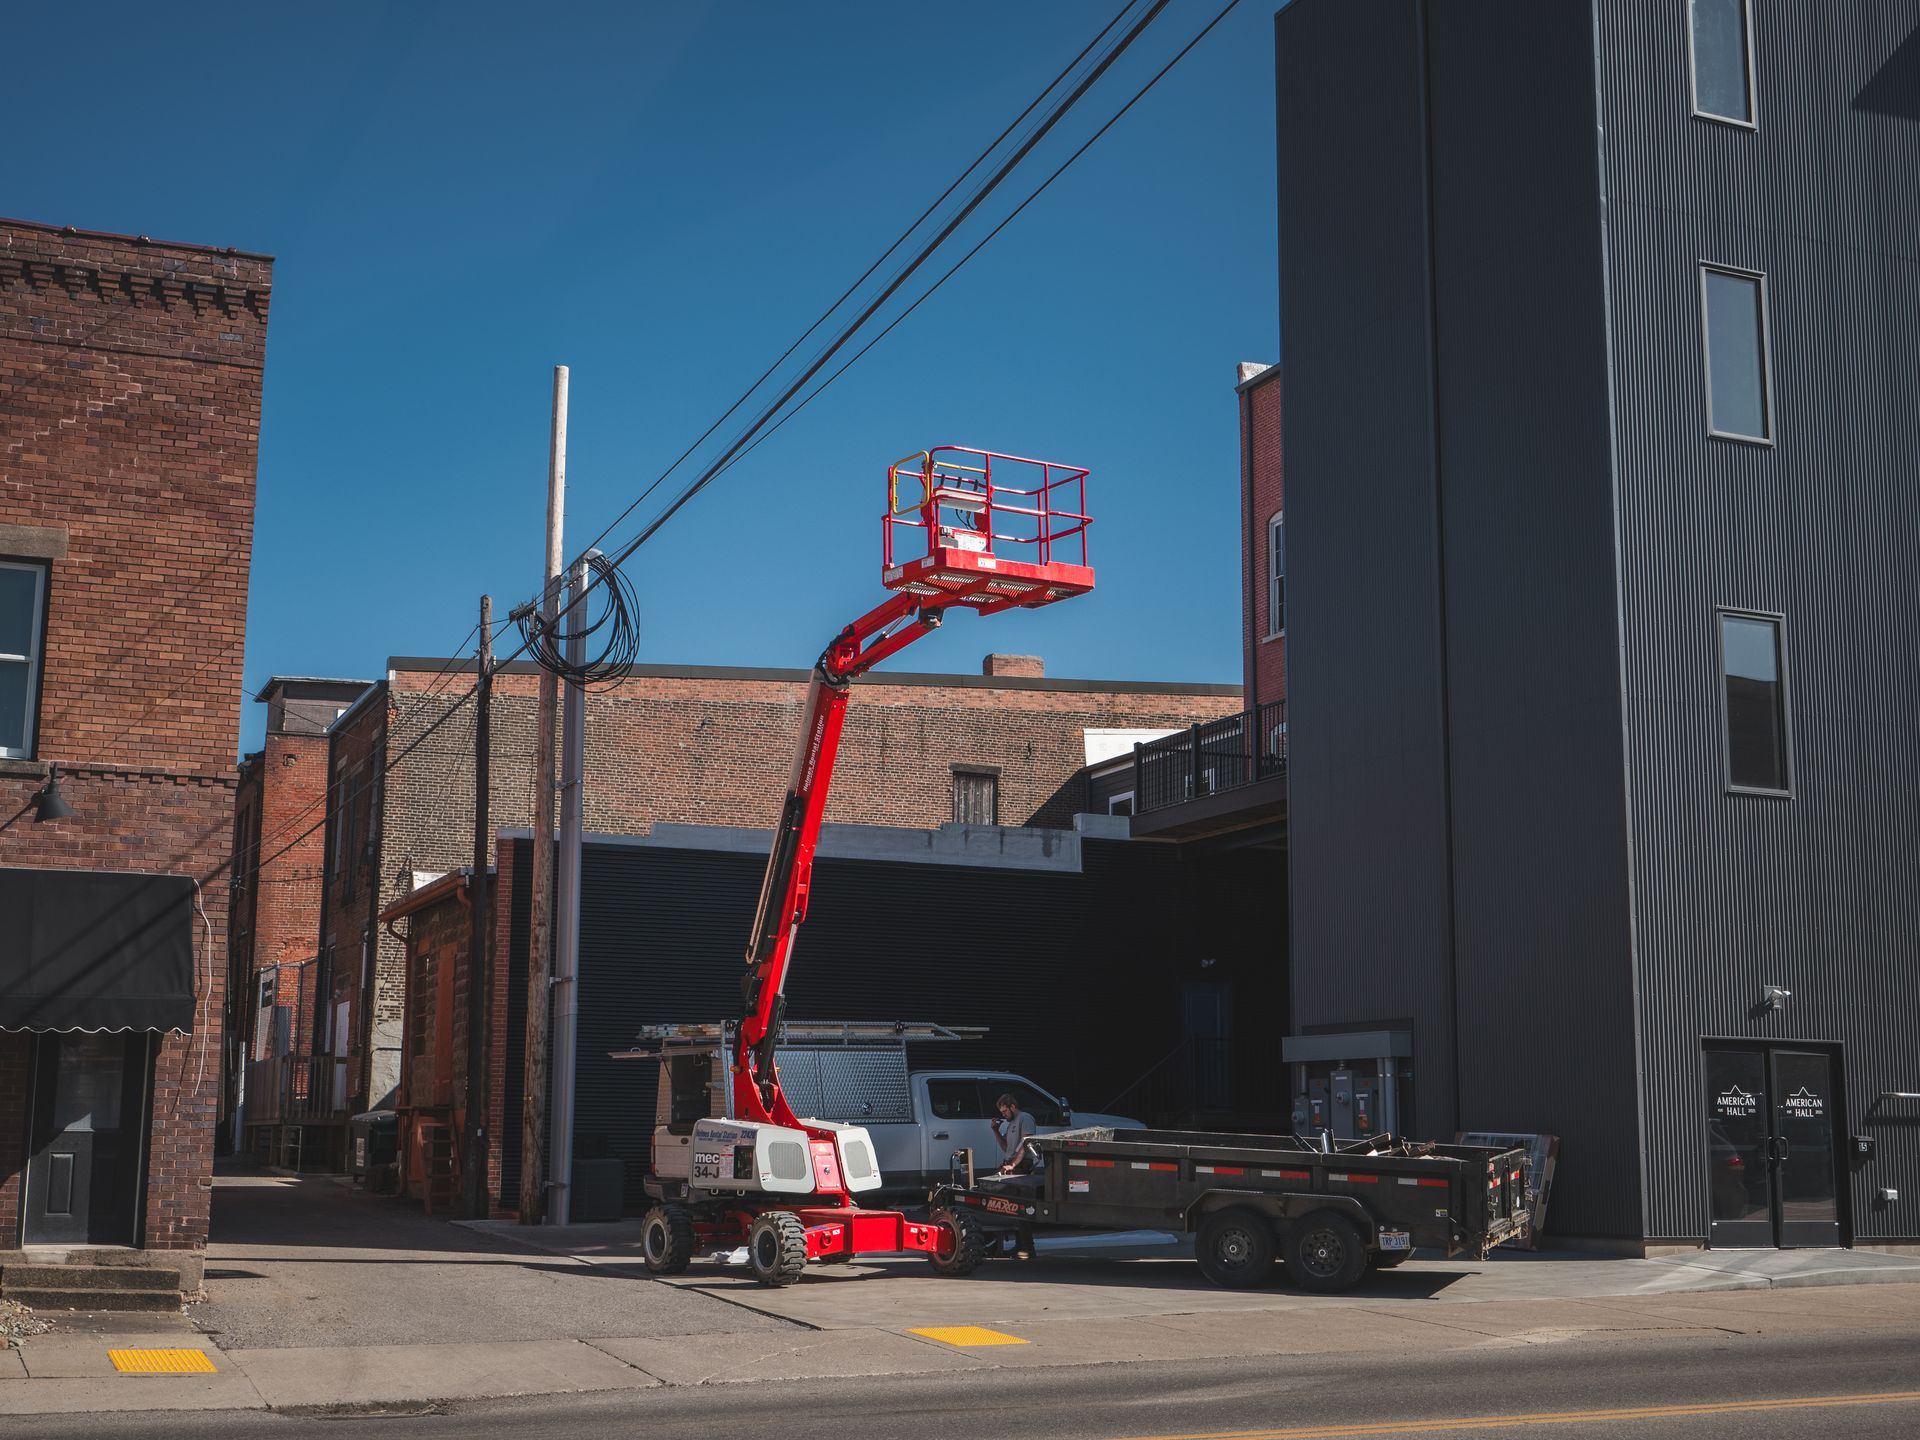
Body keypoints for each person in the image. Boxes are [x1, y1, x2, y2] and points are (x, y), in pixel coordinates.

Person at [988, 1092, 1043, 1259]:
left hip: (1022, 1166)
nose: (1003, 1115)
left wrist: (1013, 1164)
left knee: (1020, 1208)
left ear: (1013, 1107)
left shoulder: (1025, 1119)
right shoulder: (1010, 1124)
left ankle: (1027, 1247)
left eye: (1005, 1111)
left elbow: (1026, 1144)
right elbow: (1006, 1147)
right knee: (1010, 1207)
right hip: (1011, 1164)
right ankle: (1019, 1245)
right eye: (1001, 1112)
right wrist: (996, 1130)